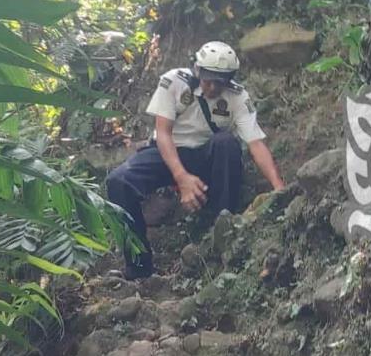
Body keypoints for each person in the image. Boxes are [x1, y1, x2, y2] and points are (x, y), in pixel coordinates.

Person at [106, 41, 284, 279]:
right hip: (166, 152)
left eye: (219, 82)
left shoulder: (237, 97)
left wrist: (279, 188)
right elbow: (164, 133)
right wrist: (181, 178)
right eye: (207, 79)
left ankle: (221, 229)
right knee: (118, 182)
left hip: (205, 156)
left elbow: (255, 143)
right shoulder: (175, 81)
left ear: (229, 80)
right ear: (198, 71)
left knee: (227, 142)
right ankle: (138, 265)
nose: (211, 87)